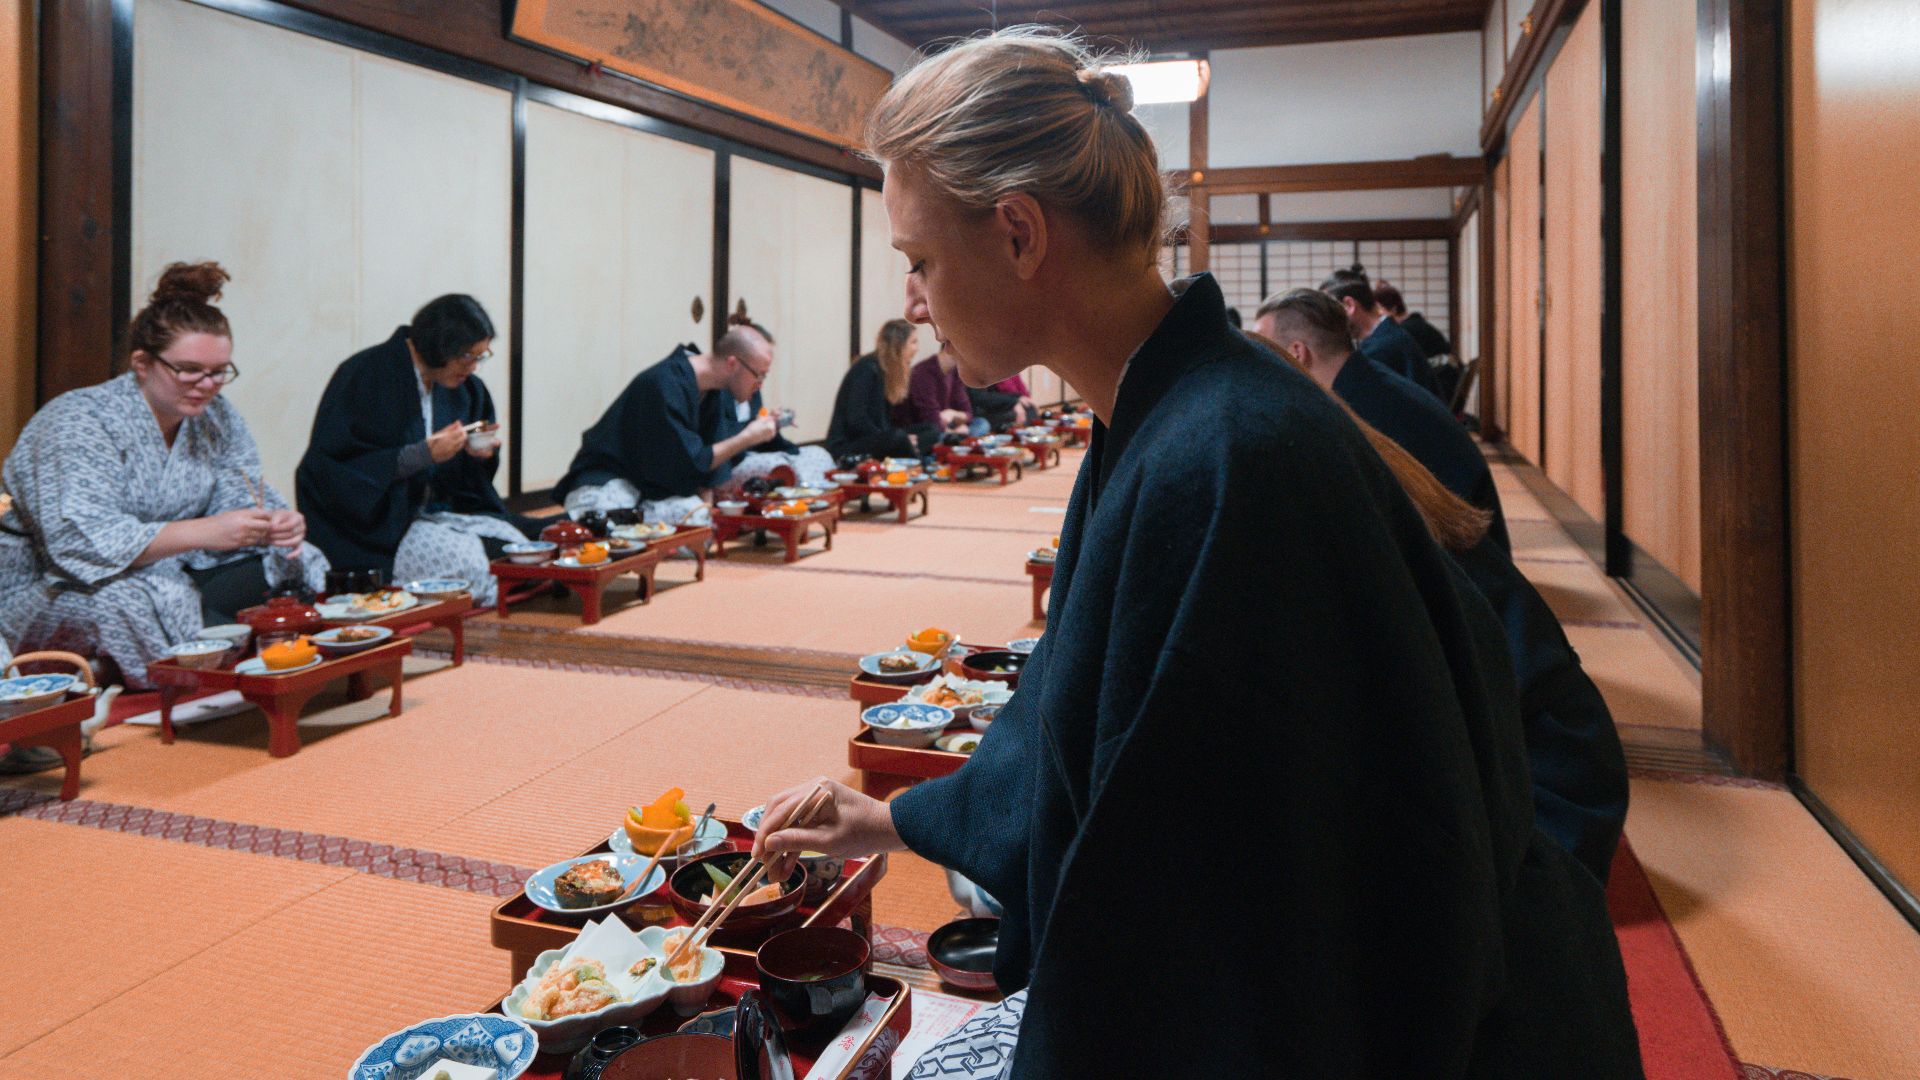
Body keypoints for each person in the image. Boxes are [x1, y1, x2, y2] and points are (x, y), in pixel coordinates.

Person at [751, 27, 1640, 1079]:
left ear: (1020, 234)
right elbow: (1085, 723)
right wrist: (895, 818)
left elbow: (1202, 907)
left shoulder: (1226, 453)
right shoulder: (1180, 412)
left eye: (919, 259)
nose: (911, 299)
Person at [1255, 288, 1627, 883]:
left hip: (1552, 805)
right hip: (1538, 710)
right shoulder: (1359, 400)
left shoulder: (1357, 432)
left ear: (1297, 355)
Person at [0, 262, 327, 692]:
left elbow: (240, 494)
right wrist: (204, 531)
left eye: (218, 372)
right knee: (135, 602)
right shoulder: (77, 420)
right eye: (189, 370)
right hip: (56, 585)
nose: (206, 385)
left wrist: (273, 525)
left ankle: (258, 665)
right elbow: (79, 541)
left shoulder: (218, 418)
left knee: (299, 560)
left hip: (174, 569)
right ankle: (186, 689)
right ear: (142, 363)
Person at [296, 295, 537, 607]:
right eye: (466, 356)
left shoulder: (467, 388)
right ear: (439, 347)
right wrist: (422, 455)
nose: (473, 367)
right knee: (472, 563)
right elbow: (337, 468)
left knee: (524, 548)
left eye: (481, 356)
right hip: (377, 530)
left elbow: (468, 489)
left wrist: (477, 456)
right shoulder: (365, 376)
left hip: (440, 515)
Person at [1252, 287, 1509, 550]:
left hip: (1464, 562)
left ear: (1297, 352)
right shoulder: (1367, 381)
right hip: (1469, 549)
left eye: (1265, 348)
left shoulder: (1365, 409)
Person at [551, 327, 780, 525]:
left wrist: (708, 513)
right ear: (732, 363)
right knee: (606, 526)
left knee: (698, 519)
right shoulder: (664, 384)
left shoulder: (714, 390)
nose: (759, 385)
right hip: (610, 481)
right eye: (758, 375)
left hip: (654, 490)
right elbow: (694, 461)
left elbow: (709, 467)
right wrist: (748, 437)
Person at [697, 321, 835, 489]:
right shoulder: (720, 388)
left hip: (754, 453)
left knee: (819, 454)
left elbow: (762, 439)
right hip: (730, 463)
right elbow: (718, 442)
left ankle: (812, 498)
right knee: (781, 467)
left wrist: (772, 426)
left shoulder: (753, 387)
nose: (760, 379)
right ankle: (803, 498)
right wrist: (753, 432)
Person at [1321, 265, 1445, 401]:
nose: (1327, 320)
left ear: (1349, 305)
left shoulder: (1380, 349)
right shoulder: (1387, 334)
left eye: (1330, 311)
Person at [826, 319, 942, 460]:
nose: (916, 348)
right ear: (899, 345)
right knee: (897, 437)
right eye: (913, 342)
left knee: (932, 430)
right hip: (847, 445)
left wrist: (895, 438)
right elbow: (856, 420)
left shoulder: (887, 371)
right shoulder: (867, 368)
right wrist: (888, 438)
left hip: (878, 437)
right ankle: (917, 465)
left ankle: (909, 454)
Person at [900, 343, 990, 437]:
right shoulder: (923, 372)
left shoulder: (956, 372)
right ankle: (958, 439)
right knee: (936, 434)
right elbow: (931, 419)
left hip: (949, 425)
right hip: (927, 429)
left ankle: (957, 440)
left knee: (982, 423)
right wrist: (955, 432)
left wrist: (954, 414)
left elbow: (968, 413)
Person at [1374, 280, 1453, 359]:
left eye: (1380, 310)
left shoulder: (1407, 330)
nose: (1378, 315)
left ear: (1393, 309)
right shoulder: (1413, 324)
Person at [966, 372, 1037, 430]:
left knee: (1029, 407)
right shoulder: (975, 372)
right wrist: (1014, 402)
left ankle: (1030, 438)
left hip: (992, 407)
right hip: (980, 412)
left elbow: (997, 394)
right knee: (1014, 414)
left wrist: (1019, 398)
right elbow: (982, 398)